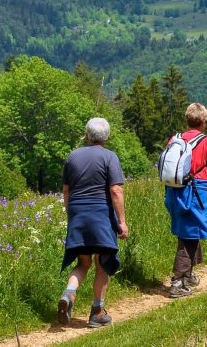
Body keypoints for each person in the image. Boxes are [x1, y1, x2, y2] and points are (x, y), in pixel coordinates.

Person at [56, 117, 129, 328]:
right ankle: (97, 313)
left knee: (83, 263)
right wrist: (122, 222)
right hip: (101, 216)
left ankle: (69, 294)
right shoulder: (110, 157)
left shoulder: (72, 156)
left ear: (86, 135)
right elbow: (115, 190)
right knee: (102, 263)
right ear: (107, 137)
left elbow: (66, 191)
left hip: (78, 214)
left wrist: (72, 216)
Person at [164, 103, 207, 298]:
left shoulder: (175, 139)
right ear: (204, 122)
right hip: (196, 191)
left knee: (188, 231)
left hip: (174, 191)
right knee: (190, 235)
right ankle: (178, 281)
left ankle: (188, 275)